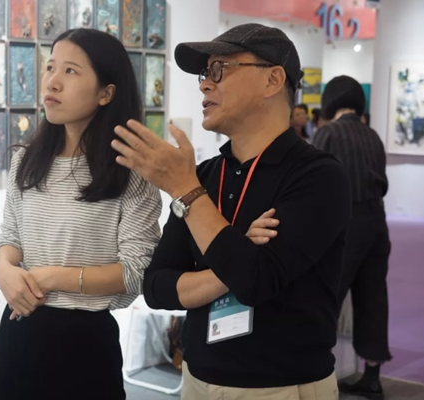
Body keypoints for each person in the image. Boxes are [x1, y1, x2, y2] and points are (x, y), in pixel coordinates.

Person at [111, 23, 351, 400]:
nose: (205, 85)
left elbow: (256, 281)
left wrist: (187, 193)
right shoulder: (206, 175)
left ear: (272, 79)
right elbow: (156, 287)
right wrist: (233, 260)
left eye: (219, 69)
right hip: (197, 377)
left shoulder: (318, 176)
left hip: (281, 386)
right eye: (205, 74)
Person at [0, 28, 163, 400]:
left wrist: (51, 277)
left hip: (84, 344)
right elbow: (10, 237)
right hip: (18, 333)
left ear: (106, 93)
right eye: (50, 67)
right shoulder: (26, 160)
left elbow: (137, 271)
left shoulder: (130, 172)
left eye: (70, 71)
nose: (52, 81)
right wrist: (4, 268)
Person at [313, 75, 392, 400]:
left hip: (345, 223)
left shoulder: (327, 133)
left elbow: (314, 183)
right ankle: (372, 376)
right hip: (377, 223)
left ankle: (317, 373)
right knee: (373, 297)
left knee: (326, 297)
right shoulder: (372, 135)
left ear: (329, 101)